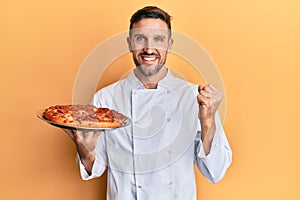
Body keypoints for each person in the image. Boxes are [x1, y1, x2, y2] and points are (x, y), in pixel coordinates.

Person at [65, 6, 232, 200]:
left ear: (170, 44)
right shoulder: (105, 99)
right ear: (129, 43)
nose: (149, 49)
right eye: (140, 38)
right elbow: (95, 168)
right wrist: (84, 147)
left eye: (158, 39)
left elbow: (215, 172)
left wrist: (208, 123)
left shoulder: (197, 98)